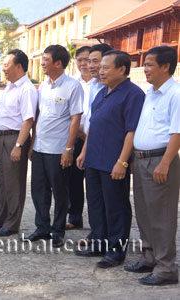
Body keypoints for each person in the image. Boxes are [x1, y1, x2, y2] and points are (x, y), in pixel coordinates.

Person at [76, 50, 145, 268]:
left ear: (122, 69)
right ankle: (98, 242)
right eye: (100, 67)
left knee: (116, 205)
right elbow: (93, 125)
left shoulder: (133, 94)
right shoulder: (102, 93)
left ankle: (116, 250)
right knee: (96, 204)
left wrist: (122, 161)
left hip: (113, 161)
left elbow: (131, 132)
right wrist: (84, 152)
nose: (100, 71)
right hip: (94, 159)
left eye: (106, 67)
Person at [125, 46, 180, 286]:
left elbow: (176, 133)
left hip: (160, 160)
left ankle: (166, 268)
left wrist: (165, 163)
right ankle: (149, 257)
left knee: (161, 216)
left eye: (149, 64)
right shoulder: (150, 93)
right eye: (144, 64)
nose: (144, 69)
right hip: (142, 159)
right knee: (145, 213)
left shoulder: (175, 93)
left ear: (165, 66)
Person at [24, 45, 83, 248]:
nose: (42, 63)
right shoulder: (44, 86)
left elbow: (75, 120)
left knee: (60, 192)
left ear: (58, 63)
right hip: (40, 148)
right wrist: (32, 143)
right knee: (38, 190)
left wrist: (69, 149)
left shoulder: (73, 86)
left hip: (58, 150)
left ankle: (58, 231)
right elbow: (38, 116)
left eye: (46, 59)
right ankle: (42, 228)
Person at [0, 49, 37, 236]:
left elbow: (28, 120)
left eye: (6, 64)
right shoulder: (10, 87)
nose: (3, 68)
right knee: (0, 183)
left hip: (14, 138)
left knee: (13, 184)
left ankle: (11, 224)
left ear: (18, 66)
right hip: (1, 137)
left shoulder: (27, 89)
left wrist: (19, 146)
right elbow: (3, 115)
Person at [76, 43, 113, 246]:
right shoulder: (96, 88)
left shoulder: (119, 91)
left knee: (110, 199)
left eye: (95, 62)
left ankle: (110, 241)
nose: (90, 66)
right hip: (90, 146)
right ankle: (97, 234)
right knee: (94, 197)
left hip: (108, 151)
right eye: (88, 61)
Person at [66, 46, 91, 231]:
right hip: (75, 137)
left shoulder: (100, 83)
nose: (83, 64)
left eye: (87, 60)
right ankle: (74, 217)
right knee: (73, 180)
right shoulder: (72, 83)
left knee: (93, 182)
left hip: (94, 138)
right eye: (79, 60)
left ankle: (98, 223)